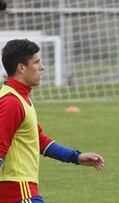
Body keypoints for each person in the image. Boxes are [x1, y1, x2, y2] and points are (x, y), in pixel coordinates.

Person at [0, 39, 105, 203]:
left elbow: (39, 141)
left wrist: (75, 157)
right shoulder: (12, 102)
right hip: (19, 192)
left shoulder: (19, 97)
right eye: (36, 62)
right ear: (21, 68)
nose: (42, 67)